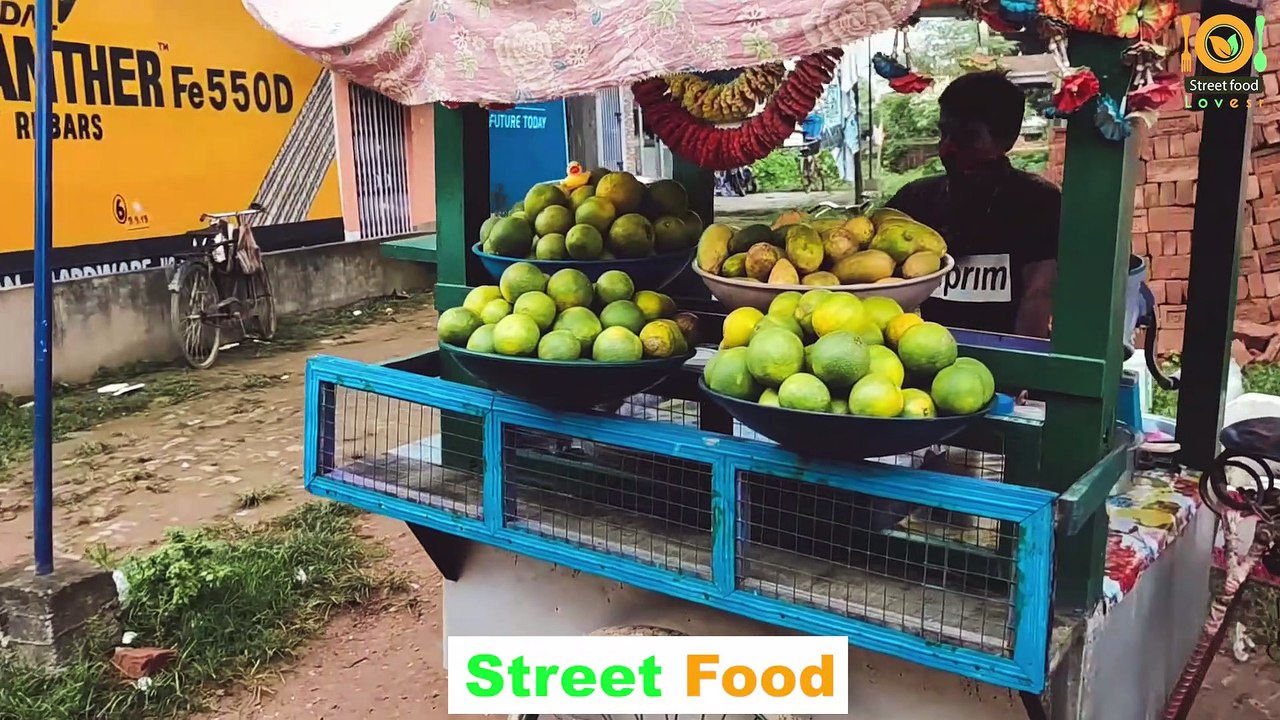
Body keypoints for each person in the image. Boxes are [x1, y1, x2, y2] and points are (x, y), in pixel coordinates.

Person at [885, 71, 1058, 339]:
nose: (946, 149)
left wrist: (1022, 373)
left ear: (1006, 140)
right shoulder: (915, 201)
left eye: (966, 137)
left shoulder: (1038, 204)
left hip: (1006, 365)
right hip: (923, 357)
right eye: (943, 133)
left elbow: (1038, 295)